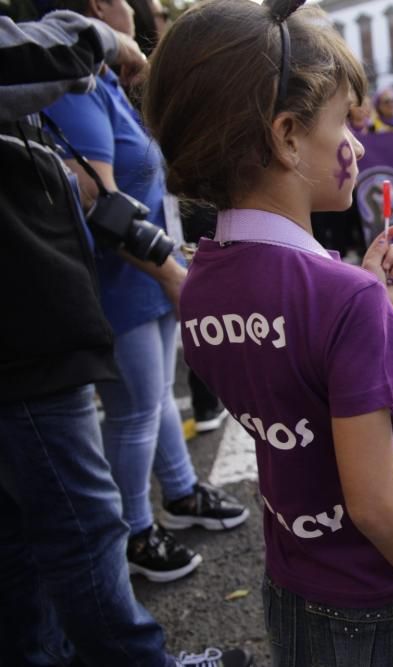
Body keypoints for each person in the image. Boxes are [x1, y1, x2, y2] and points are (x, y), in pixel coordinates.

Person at [143, 1, 393, 664]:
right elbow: (373, 502)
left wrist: (375, 309)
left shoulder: (203, 284)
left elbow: (293, 388)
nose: (358, 144)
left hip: (292, 585)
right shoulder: (343, 297)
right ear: (285, 137)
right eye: (343, 121)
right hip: (383, 596)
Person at [0, 10, 251, 667]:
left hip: (44, 315)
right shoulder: (70, 63)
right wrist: (171, 270)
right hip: (33, 331)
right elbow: (97, 193)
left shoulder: (94, 82)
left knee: (32, 533)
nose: (138, 13)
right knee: (84, 523)